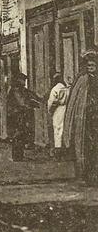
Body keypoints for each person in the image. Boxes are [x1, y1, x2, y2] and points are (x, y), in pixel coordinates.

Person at [63, 51, 98, 185]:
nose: (91, 68)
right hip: (85, 120)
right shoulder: (82, 80)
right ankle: (88, 175)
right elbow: (73, 103)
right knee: (87, 148)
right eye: (88, 65)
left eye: (93, 65)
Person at [6, 72, 42, 162]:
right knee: (17, 136)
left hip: (21, 116)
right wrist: (32, 104)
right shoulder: (15, 90)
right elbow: (22, 102)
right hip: (16, 116)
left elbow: (32, 95)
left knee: (21, 136)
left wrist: (39, 100)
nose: (24, 82)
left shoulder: (22, 90)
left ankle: (19, 155)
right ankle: (17, 156)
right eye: (23, 80)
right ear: (18, 80)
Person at [48, 72, 69, 159]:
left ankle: (57, 152)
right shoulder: (67, 88)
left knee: (57, 130)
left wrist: (50, 111)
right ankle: (65, 150)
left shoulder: (55, 89)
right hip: (66, 109)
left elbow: (52, 102)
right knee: (64, 128)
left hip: (58, 110)